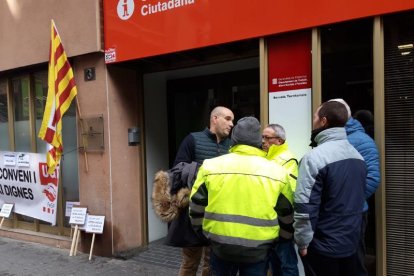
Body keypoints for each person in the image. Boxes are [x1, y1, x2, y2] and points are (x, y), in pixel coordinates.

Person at [189, 117, 294, 276]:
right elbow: (286, 215)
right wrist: (278, 241)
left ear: (234, 139)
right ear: (259, 141)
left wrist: (204, 236)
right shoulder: (277, 172)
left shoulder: (210, 166)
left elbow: (196, 206)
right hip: (258, 251)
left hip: (220, 247)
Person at [294, 101, 367, 276]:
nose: (313, 120)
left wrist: (303, 242)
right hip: (349, 243)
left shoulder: (314, 158)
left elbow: (305, 207)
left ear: (323, 121)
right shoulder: (357, 156)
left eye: (314, 116)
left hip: (322, 247)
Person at [169, 106, 234, 276]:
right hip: (193, 213)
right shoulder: (192, 139)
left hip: (220, 212)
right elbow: (177, 170)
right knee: (190, 263)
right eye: (227, 119)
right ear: (215, 119)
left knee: (211, 265)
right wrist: (204, 172)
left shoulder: (232, 145)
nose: (231, 124)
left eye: (232, 120)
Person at [329, 99, 380, 276]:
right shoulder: (331, 140)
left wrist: (347, 200)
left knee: (354, 262)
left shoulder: (361, 141)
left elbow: (373, 178)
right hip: (334, 213)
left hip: (353, 213)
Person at [262, 124, 299, 276]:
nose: (263, 141)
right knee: (273, 264)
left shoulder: (288, 159)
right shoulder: (263, 158)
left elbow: (290, 192)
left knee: (287, 265)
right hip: (267, 222)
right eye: (262, 137)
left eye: (267, 138)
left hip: (281, 222)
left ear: (279, 140)